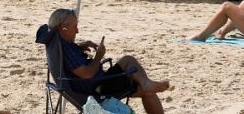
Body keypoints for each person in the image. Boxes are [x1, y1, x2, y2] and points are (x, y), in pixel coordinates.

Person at [39, 8, 169, 114]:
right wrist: (98, 56)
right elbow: (87, 74)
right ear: (64, 28)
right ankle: (146, 83)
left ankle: (146, 84)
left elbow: (71, 61)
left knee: (146, 88)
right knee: (128, 61)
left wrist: (79, 47)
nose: (77, 31)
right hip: (96, 90)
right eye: (75, 27)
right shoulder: (66, 49)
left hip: (92, 85)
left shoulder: (58, 43)